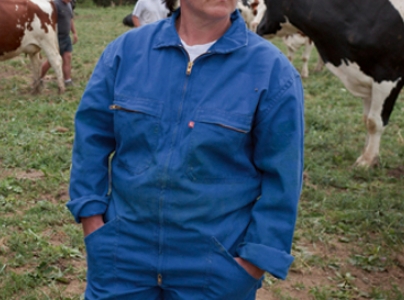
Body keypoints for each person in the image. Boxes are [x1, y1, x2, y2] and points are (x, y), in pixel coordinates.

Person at [66, 0, 305, 298]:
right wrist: (92, 220)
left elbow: (283, 178)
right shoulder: (126, 53)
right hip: (121, 256)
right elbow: (91, 137)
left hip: (215, 267)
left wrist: (252, 263)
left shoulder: (273, 72)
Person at [39, 0, 77, 86]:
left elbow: (70, 19)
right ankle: (39, 78)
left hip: (66, 37)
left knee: (67, 57)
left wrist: (74, 32)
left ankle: (68, 80)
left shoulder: (69, 5)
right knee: (51, 61)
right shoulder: (54, 4)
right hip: (55, 38)